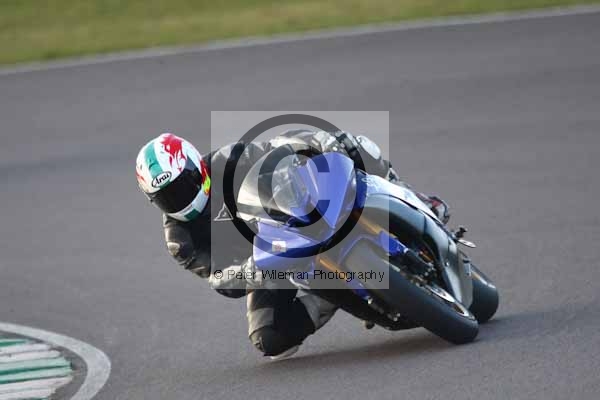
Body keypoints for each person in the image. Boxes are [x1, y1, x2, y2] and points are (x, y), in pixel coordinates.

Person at [135, 130, 450, 359]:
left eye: (182, 186)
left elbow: (280, 150)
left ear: (196, 168)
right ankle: (334, 295)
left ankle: (415, 197)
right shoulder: (181, 241)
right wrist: (247, 272)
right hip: (275, 260)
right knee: (269, 337)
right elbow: (219, 278)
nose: (179, 199)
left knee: (353, 144)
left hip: (298, 211)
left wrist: (317, 146)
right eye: (166, 197)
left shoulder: (228, 160)